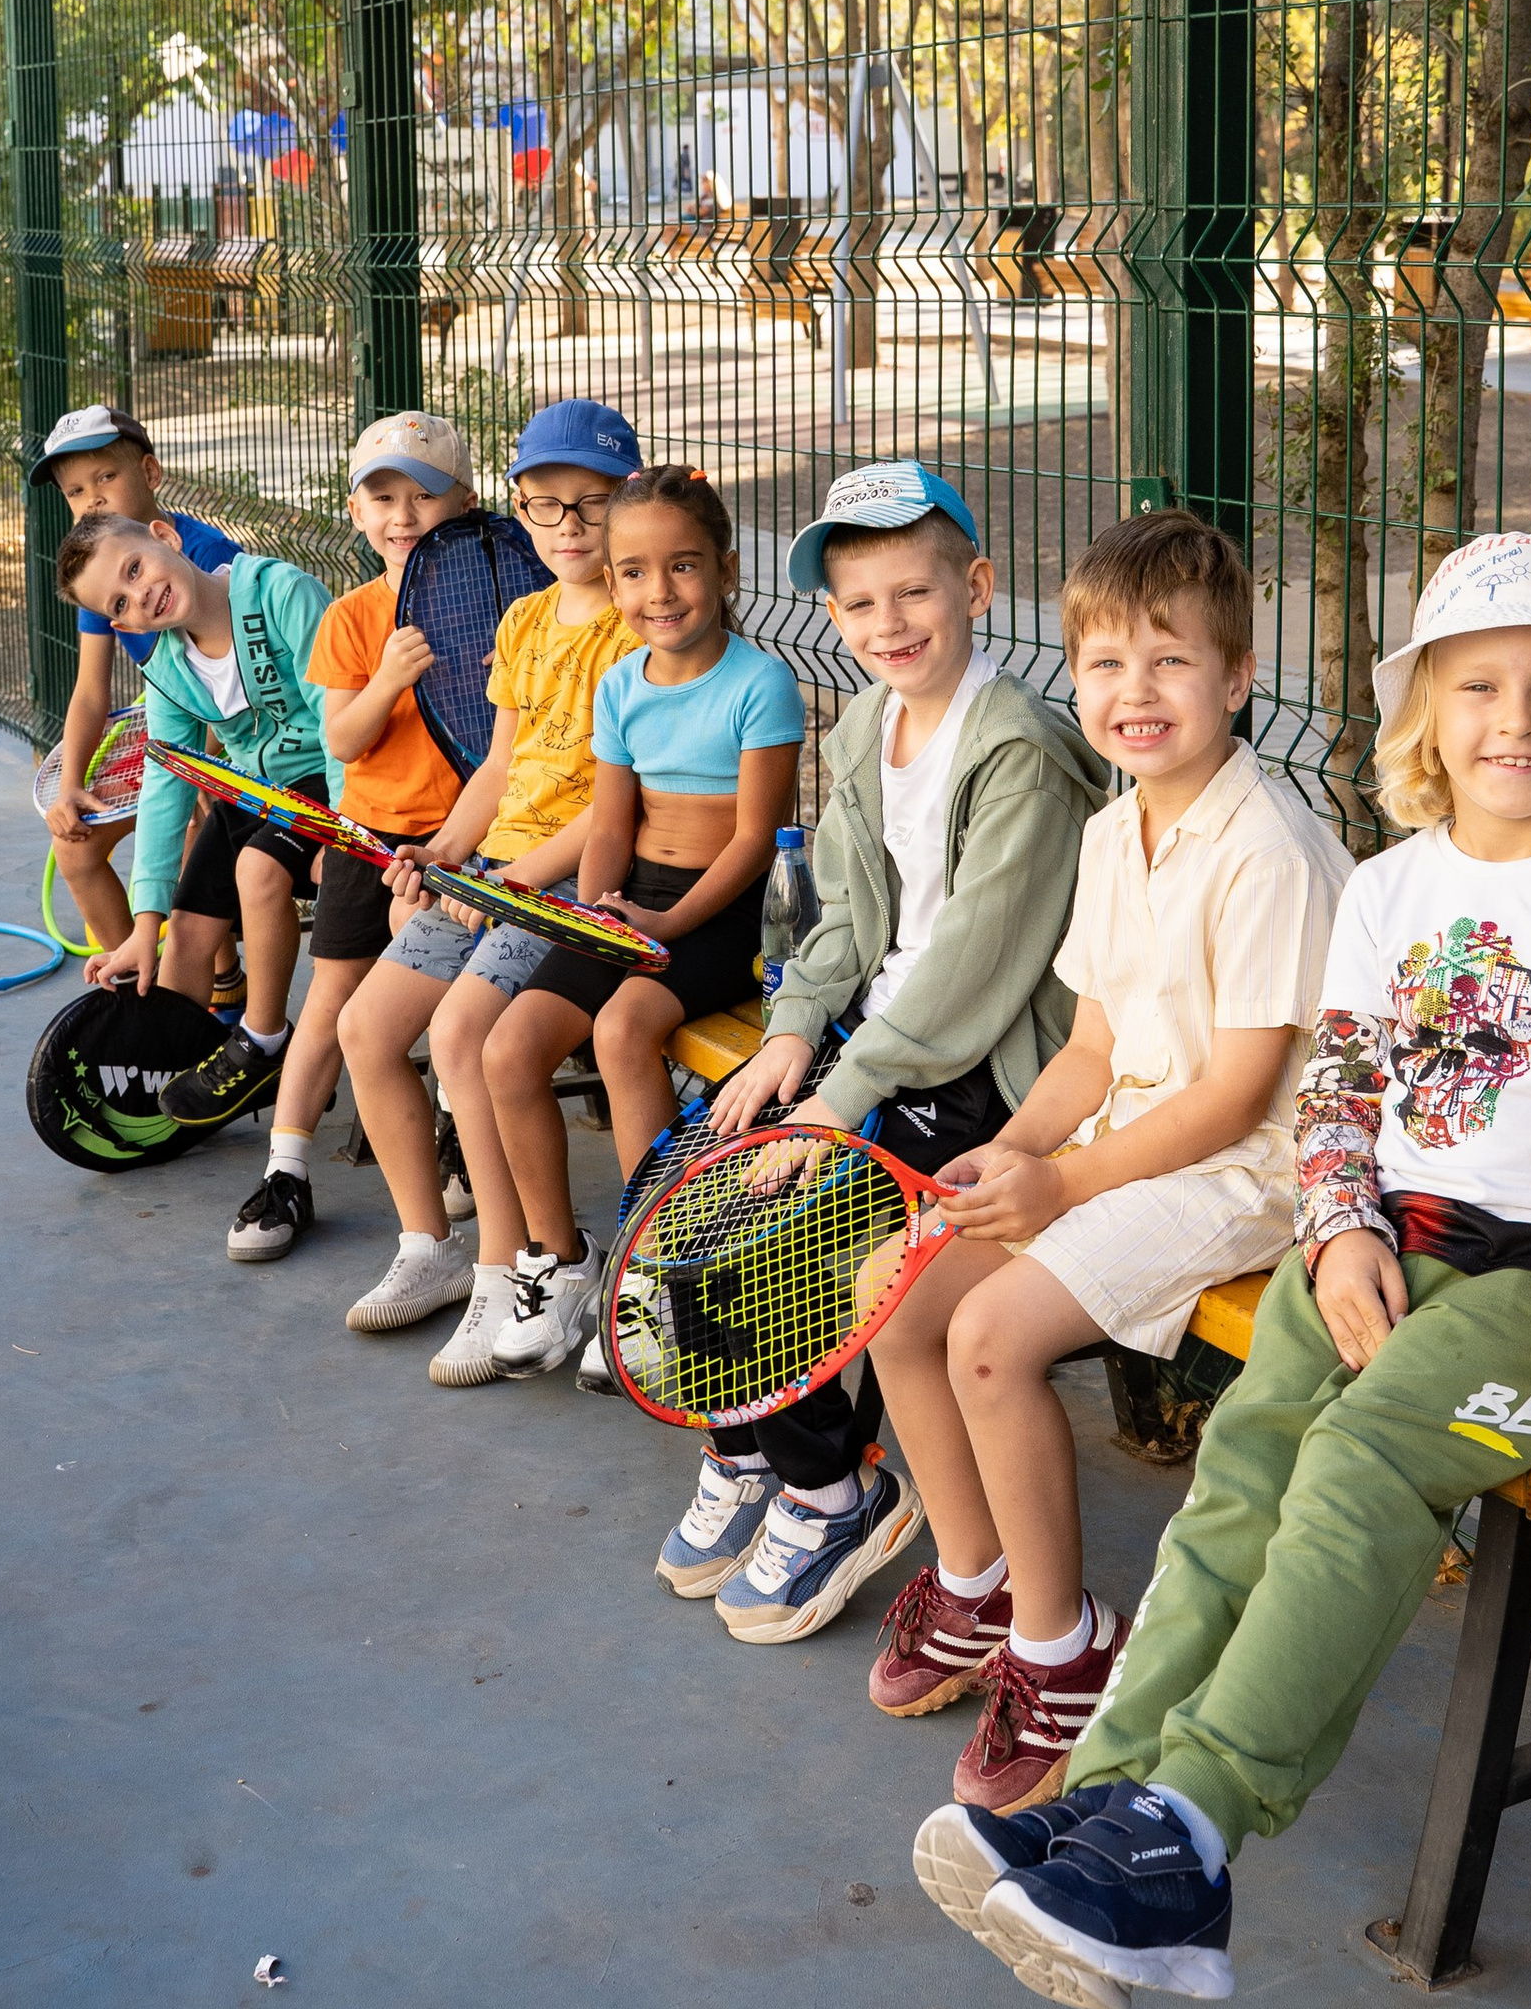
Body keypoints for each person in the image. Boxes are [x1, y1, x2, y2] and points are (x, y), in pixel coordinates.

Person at [912, 527, 1531, 2009]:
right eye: (1480, 689)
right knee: (1248, 1460)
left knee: (1358, 1466)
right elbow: (1338, 1098)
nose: (1516, 723)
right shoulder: (1392, 890)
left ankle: (1189, 1835)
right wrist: (1338, 1230)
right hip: (1381, 1248)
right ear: (1427, 719)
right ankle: (1098, 1798)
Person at [864, 508, 1345, 1818]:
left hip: (1248, 1171)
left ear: (1236, 677)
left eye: (1171, 662)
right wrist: (1007, 1155)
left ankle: (1063, 1650)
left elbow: (1243, 1095)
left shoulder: (1271, 847)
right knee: (897, 1294)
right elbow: (1088, 1047)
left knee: (989, 1339)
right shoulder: (1105, 831)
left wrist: (1062, 1185)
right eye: (1106, 666)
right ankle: (975, 1579)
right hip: (1123, 1142)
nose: (1135, 695)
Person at [660, 460, 1110, 1645]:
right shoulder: (864, 725)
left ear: (975, 586)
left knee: (792, 1231)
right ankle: (750, 1448)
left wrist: (839, 1097)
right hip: (877, 1044)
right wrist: (796, 1030)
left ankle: (833, 1494)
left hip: (979, 1071)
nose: (887, 625)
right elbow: (853, 920)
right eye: (859, 604)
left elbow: (970, 969)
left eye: (912, 594)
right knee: (710, 1176)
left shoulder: (1020, 750)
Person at [476, 467, 805, 1381]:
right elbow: (612, 825)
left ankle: (658, 1276)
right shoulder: (620, 686)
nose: (658, 592)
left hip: (722, 911)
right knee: (507, 1052)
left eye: (683, 567)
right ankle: (564, 1260)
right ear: (613, 580)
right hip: (632, 904)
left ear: (729, 570)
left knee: (624, 1030)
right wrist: (592, 911)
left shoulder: (761, 685)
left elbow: (751, 844)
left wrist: (662, 925)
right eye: (633, 572)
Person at [334, 399, 642, 1365]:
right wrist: (447, 858)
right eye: (546, 507)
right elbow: (499, 771)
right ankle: (432, 1247)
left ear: (626, 504)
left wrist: (506, 879)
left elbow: (614, 807)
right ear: (517, 508)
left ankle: (512, 1269)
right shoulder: (522, 618)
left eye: (592, 507)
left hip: (567, 884)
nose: (569, 529)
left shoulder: (642, 631)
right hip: (496, 872)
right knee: (364, 1027)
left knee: (463, 1029)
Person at [216, 415, 486, 1269]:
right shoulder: (351, 616)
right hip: (369, 836)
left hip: (457, 840)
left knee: (439, 991)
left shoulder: (496, 611)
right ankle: (286, 1168)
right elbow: (342, 742)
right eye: (383, 498)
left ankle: (452, 1135)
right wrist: (393, 677)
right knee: (330, 998)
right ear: (356, 513)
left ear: (467, 505)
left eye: (424, 496)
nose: (403, 515)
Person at [61, 510, 337, 1123]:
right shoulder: (164, 666)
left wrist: (346, 832)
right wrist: (142, 926)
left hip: (335, 778)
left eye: (136, 569)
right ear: (120, 623)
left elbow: (339, 719)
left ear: (165, 537)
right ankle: (169, 1075)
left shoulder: (278, 592)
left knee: (259, 871)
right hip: (260, 791)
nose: (143, 594)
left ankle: (264, 1041)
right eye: (123, 600)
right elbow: (166, 783)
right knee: (184, 931)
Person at [29, 403, 236, 957]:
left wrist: (203, 771)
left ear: (149, 473)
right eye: (74, 491)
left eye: (106, 477)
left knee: (197, 837)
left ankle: (218, 983)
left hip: (229, 740)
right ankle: (138, 981)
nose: (91, 499)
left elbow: (237, 689)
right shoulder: (101, 577)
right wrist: (72, 784)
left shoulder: (208, 555)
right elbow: (90, 691)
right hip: (174, 739)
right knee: (73, 847)